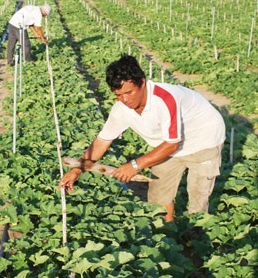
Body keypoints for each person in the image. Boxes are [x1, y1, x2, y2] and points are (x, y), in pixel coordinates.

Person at [59, 55, 226, 222]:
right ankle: (166, 233)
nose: (125, 99)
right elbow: (102, 141)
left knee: (198, 196)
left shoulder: (164, 99)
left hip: (203, 138)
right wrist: (77, 169)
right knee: (159, 197)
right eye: (118, 95)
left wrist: (135, 165)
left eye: (129, 92)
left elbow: (172, 145)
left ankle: (196, 236)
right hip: (167, 143)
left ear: (143, 83)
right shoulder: (121, 109)